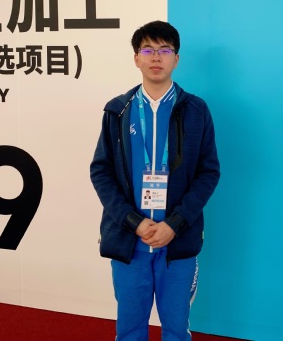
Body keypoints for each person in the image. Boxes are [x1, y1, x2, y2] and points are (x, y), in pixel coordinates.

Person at [90, 20, 220, 341]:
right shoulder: (117, 111)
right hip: (129, 240)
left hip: (178, 241)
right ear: (136, 58)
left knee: (176, 329)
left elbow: (208, 172)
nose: (156, 57)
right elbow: (101, 171)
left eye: (165, 50)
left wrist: (174, 223)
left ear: (177, 58)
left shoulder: (196, 110)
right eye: (147, 50)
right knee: (130, 330)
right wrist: (133, 222)